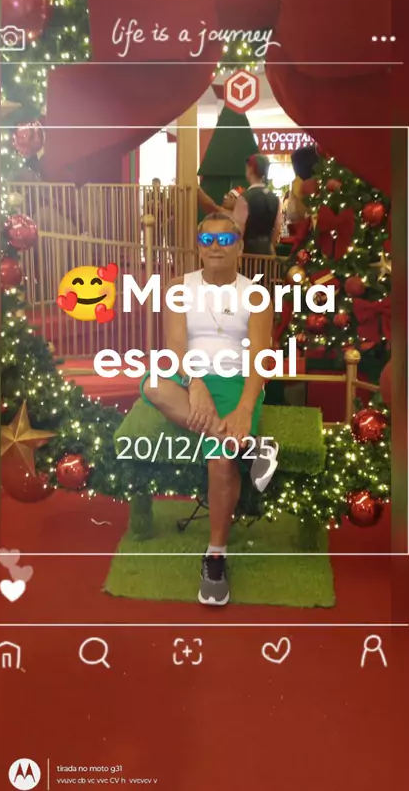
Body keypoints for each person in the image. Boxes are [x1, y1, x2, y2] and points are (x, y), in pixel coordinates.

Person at [140, 212, 279, 607]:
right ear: (199, 247)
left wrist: (246, 407)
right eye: (207, 240)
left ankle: (216, 555)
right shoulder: (179, 287)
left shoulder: (256, 294)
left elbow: (260, 359)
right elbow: (175, 347)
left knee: (220, 462)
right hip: (189, 375)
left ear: (239, 246)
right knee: (153, 384)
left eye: (225, 240)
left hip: (236, 380)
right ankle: (250, 448)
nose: (216, 247)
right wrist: (195, 382)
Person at [242, 154, 282, 255]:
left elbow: (239, 227)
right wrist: (270, 245)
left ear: (250, 170)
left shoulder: (245, 198)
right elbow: (278, 227)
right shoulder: (274, 198)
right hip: (266, 249)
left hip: (247, 251)